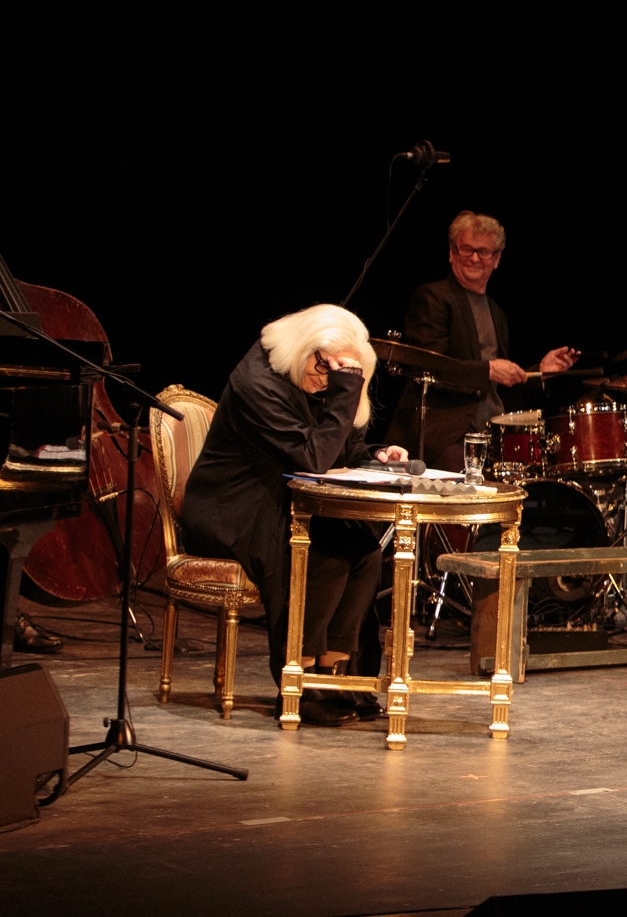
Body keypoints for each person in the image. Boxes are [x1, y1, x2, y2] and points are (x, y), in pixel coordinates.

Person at [182, 304, 407, 726]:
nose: (327, 380)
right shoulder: (256, 382)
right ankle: (297, 682)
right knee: (325, 552)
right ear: (305, 347)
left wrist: (376, 455)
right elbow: (312, 457)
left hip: (278, 504)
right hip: (231, 509)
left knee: (365, 551)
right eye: (325, 367)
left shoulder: (311, 378)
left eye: (340, 373)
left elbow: (339, 448)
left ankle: (334, 675)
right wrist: (345, 389)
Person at [385, 211, 578, 468]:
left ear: (496, 259)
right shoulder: (433, 297)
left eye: (483, 251)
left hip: (492, 434)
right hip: (444, 437)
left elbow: (498, 385)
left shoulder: (497, 312)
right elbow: (429, 366)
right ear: (452, 252)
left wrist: (540, 373)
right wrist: (489, 370)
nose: (474, 258)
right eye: (466, 249)